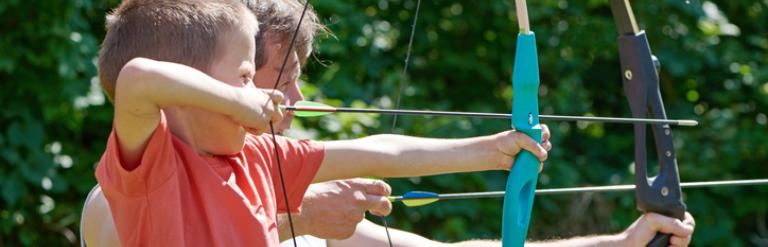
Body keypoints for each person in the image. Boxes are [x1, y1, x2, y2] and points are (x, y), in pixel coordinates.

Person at [92, 0, 550, 246]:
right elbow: (137, 78)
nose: (258, 91)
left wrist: (494, 150)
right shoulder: (151, 172)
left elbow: (380, 152)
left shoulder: (254, 157)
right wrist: (238, 100)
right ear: (190, 87)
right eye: (246, 75)